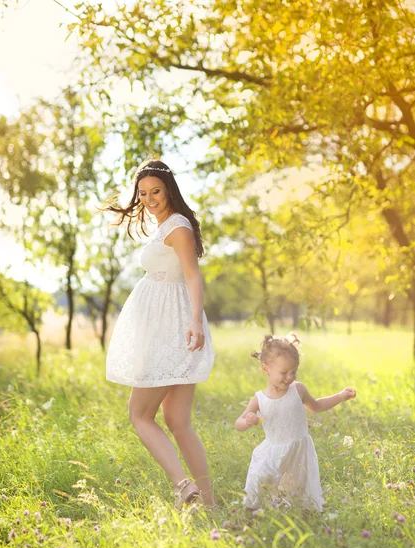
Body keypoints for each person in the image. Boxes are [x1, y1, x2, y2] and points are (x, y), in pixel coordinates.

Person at [105, 159, 215, 509]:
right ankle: (210, 504)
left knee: (139, 415)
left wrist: (195, 322)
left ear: (169, 189)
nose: (150, 198)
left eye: (156, 191)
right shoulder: (164, 225)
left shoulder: (177, 227)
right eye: (144, 193)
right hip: (170, 325)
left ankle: (183, 484)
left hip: (173, 328)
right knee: (177, 421)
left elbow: (193, 276)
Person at [235, 333, 356, 511]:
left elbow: (316, 406)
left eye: (294, 371)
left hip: (298, 453)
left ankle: (295, 512)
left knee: (294, 489)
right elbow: (238, 423)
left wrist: (340, 396)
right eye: (284, 372)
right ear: (266, 368)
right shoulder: (260, 399)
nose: (290, 377)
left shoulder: (298, 389)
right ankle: (252, 510)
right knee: (261, 479)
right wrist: (247, 420)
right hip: (273, 450)